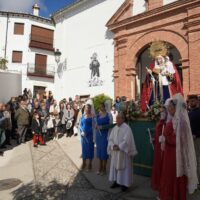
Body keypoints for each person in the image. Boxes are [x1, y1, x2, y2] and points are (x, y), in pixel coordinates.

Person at [159, 94, 198, 200]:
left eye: (171, 108)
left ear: (176, 108)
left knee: (173, 176)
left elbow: (179, 140)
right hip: (170, 152)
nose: (169, 110)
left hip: (175, 154)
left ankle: (175, 196)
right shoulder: (175, 120)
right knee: (169, 176)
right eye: (169, 108)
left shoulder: (182, 122)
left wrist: (165, 138)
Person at [141, 42, 183, 112]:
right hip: (156, 88)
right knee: (155, 102)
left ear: (163, 58)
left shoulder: (169, 64)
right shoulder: (154, 66)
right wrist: (149, 74)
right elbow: (151, 79)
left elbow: (174, 79)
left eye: (160, 59)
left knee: (168, 102)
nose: (158, 61)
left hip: (167, 87)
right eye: (157, 59)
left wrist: (167, 74)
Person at [108, 112, 137, 192]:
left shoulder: (127, 128)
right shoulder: (114, 128)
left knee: (124, 169)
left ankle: (125, 184)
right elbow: (110, 139)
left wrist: (119, 146)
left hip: (123, 152)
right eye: (116, 118)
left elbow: (127, 140)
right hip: (115, 152)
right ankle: (116, 181)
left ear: (123, 119)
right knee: (115, 168)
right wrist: (112, 145)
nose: (117, 120)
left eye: (118, 118)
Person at [188, 95, 200, 188]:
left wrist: (196, 134)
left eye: (193, 101)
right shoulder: (190, 112)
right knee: (192, 159)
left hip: (197, 139)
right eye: (190, 101)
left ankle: (198, 180)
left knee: (197, 159)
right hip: (190, 139)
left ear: (197, 101)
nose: (191, 102)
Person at [96, 103, 110, 175]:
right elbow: (95, 124)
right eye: (100, 107)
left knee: (104, 152)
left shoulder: (108, 115)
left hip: (105, 135)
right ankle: (100, 167)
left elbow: (110, 126)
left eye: (102, 107)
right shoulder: (98, 115)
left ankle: (104, 169)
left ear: (105, 107)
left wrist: (102, 127)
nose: (101, 108)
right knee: (99, 151)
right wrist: (96, 126)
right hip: (99, 136)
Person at [80, 104, 94, 171]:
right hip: (83, 135)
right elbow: (81, 124)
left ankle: (90, 164)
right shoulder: (83, 116)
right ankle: (84, 163)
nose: (87, 109)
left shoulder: (92, 116)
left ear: (90, 109)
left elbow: (93, 126)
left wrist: (87, 132)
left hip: (89, 135)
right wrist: (81, 131)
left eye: (88, 108)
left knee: (90, 149)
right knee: (84, 150)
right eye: (86, 108)